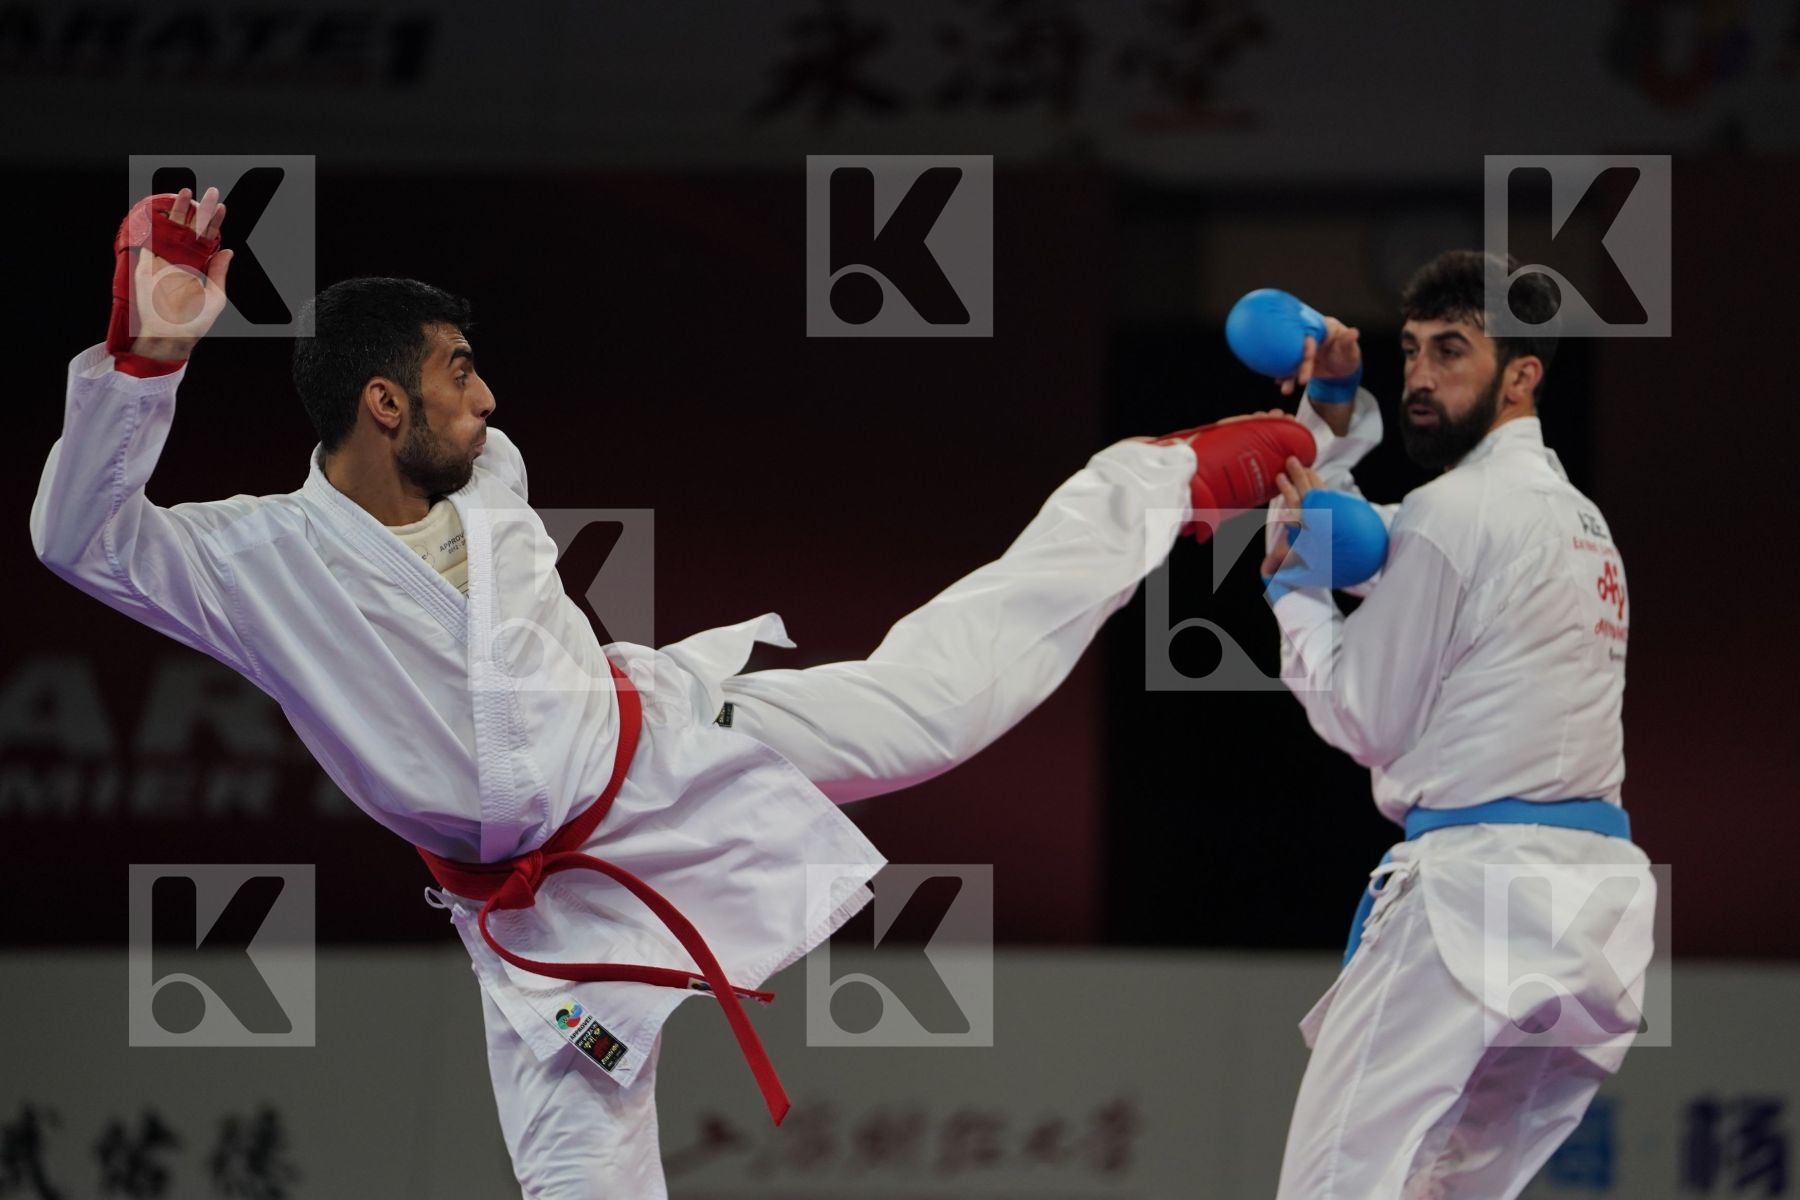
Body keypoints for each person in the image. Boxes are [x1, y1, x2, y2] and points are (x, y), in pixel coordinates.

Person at [32, 187, 1316, 1199]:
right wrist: (143, 363)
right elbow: (80, 540)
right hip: (543, 920)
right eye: (461, 371)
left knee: (941, 705)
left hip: (663, 755)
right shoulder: (258, 566)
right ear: (385, 401)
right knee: (579, 1175)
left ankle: (1151, 481)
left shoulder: (491, 478)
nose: (489, 395)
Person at [1258, 249, 1655, 1199]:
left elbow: (1365, 718)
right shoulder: (1580, 523)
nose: (1424, 377)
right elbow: (1369, 541)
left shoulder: (1454, 513)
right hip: (1595, 916)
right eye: (1411, 355)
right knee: (1448, 1193)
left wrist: (1289, 591)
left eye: (1452, 352)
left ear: (1522, 376)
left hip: (1474, 899)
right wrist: (1337, 409)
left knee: (1334, 1183)